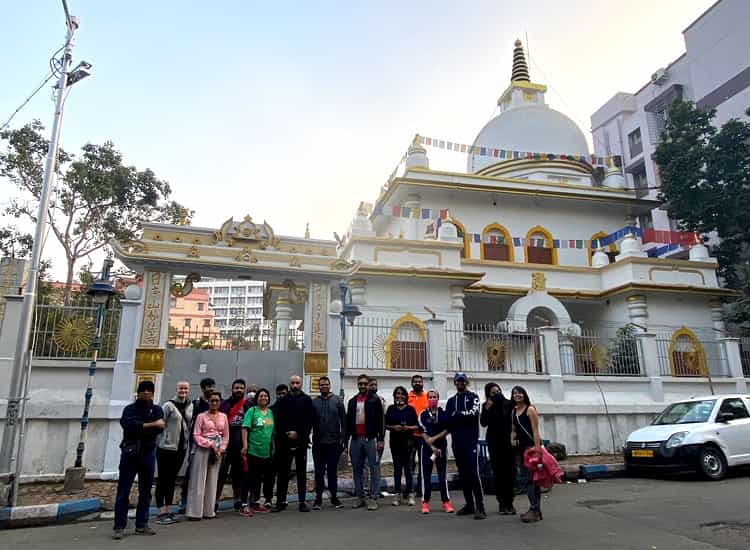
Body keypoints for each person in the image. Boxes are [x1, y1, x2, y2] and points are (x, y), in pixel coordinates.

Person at [112, 380, 165, 540]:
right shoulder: (129, 409)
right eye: (144, 391)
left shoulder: (156, 410)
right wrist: (150, 425)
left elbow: (160, 427)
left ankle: (142, 524)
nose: (147, 393)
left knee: (146, 491)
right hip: (130, 453)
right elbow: (129, 426)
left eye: (150, 391)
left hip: (148, 453)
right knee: (123, 491)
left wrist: (144, 426)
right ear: (139, 392)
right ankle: (119, 526)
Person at [446, 372, 485, 520]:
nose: (460, 383)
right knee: (463, 474)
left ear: (466, 382)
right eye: (458, 381)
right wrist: (458, 416)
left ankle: (480, 506)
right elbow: (449, 419)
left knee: (474, 473)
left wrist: (458, 415)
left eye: (462, 381)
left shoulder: (473, 397)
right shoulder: (451, 401)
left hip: (471, 442)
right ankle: (469, 505)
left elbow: (474, 414)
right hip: (457, 442)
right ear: (455, 383)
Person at [272, 375, 314, 512]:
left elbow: (309, 421)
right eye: (292, 383)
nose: (295, 385)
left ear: (301, 384)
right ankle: (280, 501)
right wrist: (286, 433)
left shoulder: (307, 400)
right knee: (283, 473)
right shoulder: (282, 401)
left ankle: (302, 501)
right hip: (284, 442)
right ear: (289, 384)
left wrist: (299, 434)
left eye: (297, 383)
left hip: (301, 442)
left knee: (301, 473)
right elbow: (277, 420)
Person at [155, 381, 193, 525]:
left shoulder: (190, 406)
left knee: (172, 479)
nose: (183, 391)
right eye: (181, 388)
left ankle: (168, 509)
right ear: (176, 389)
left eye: (186, 388)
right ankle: (160, 510)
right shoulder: (168, 406)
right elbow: (160, 424)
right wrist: (161, 442)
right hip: (166, 448)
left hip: (181, 448)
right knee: (163, 478)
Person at [186, 391, 228, 520]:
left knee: (212, 480)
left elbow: (226, 435)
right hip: (203, 449)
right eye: (212, 400)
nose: (214, 403)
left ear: (220, 402)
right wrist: (210, 444)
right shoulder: (201, 416)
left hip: (217, 451)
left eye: (217, 400)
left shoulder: (224, 416)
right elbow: (196, 434)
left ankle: (208, 511)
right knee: (198, 480)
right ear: (208, 402)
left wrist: (221, 449)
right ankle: (195, 512)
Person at [346, 374, 385, 511]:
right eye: (360, 383)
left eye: (365, 384)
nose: (362, 386)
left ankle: (373, 498)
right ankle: (360, 497)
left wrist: (381, 439)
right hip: (356, 439)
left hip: (371, 439)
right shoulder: (352, 401)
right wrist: (346, 442)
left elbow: (381, 421)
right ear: (357, 384)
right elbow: (347, 423)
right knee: (357, 469)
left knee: (373, 468)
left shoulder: (375, 400)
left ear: (368, 385)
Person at [179, 377, 215, 513]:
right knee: (192, 471)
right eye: (208, 386)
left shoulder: (216, 403)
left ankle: (204, 502)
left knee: (209, 471)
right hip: (197, 442)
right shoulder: (196, 404)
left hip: (212, 443)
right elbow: (190, 422)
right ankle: (184, 501)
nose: (210, 388)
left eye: (212, 386)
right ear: (202, 388)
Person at [480, 382, 516, 515]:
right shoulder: (486, 405)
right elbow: (483, 423)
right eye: (493, 393)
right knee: (498, 473)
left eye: (498, 391)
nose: (497, 395)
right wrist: (487, 409)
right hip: (494, 443)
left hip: (508, 442)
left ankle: (510, 502)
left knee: (511, 472)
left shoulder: (509, 404)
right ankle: (502, 503)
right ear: (488, 394)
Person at [311, 376, 346, 510]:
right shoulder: (314, 402)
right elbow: (310, 421)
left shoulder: (337, 401)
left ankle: (334, 498)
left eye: (326, 384)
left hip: (334, 443)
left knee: (332, 472)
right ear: (318, 387)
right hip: (318, 443)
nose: (324, 386)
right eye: (321, 385)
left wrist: (343, 438)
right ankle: (318, 498)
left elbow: (344, 421)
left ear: (330, 385)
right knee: (319, 472)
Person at [240, 388, 275, 517]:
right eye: (261, 396)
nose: (264, 398)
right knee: (248, 477)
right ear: (257, 398)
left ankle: (255, 502)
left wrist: (273, 448)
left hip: (265, 452)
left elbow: (271, 433)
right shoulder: (252, 411)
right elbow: (245, 428)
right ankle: (243, 504)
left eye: (266, 396)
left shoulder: (270, 412)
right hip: (253, 450)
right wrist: (245, 445)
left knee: (258, 479)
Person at [510, 385, 543, 523]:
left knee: (531, 481)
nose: (517, 395)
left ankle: (534, 509)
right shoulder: (514, 411)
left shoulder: (530, 410)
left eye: (520, 393)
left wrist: (538, 450)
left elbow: (535, 431)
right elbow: (513, 429)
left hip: (530, 448)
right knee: (529, 480)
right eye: (514, 393)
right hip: (520, 450)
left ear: (524, 394)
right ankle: (536, 510)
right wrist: (512, 438)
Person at [217, 378, 250, 511]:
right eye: (236, 388)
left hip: (240, 446)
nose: (239, 390)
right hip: (225, 446)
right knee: (221, 475)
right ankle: (214, 501)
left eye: (241, 388)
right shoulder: (224, 404)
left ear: (244, 390)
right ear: (232, 389)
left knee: (238, 475)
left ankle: (237, 500)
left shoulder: (248, 405)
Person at [419, 389, 454, 514]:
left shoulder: (443, 414)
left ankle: (446, 502)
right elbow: (421, 431)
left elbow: (447, 430)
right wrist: (431, 445)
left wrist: (435, 440)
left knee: (442, 476)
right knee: (426, 476)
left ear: (438, 399)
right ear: (427, 399)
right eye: (430, 397)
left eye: (434, 397)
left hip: (441, 448)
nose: (432, 399)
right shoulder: (423, 414)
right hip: (427, 449)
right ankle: (425, 502)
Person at [385, 386, 419, 506]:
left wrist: (408, 428)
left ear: (406, 396)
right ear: (394, 396)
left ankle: (410, 493)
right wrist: (394, 427)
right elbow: (386, 425)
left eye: (402, 394)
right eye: (397, 394)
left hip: (409, 444)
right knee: (397, 470)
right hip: (395, 443)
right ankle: (397, 494)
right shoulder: (391, 409)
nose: (399, 396)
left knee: (408, 470)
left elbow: (417, 426)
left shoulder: (410, 409)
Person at [363, 377, 386, 498]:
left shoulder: (378, 400)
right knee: (366, 465)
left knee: (375, 465)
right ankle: (367, 489)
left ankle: (375, 490)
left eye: (375, 384)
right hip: (366, 438)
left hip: (376, 439)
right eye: (371, 385)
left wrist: (381, 439)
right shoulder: (363, 400)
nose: (373, 387)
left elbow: (382, 421)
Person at [267, 383, 289, 510]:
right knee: (270, 474)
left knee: (284, 474)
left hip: (287, 447)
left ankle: (282, 500)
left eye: (283, 393)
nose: (281, 396)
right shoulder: (271, 410)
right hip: (274, 446)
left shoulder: (291, 409)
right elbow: (269, 426)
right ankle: (269, 499)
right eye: (279, 394)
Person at [408, 374, 429, 497]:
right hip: (410, 436)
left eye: (420, 382)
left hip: (423, 436)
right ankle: (409, 489)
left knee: (423, 463)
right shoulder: (407, 397)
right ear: (412, 383)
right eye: (415, 381)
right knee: (409, 464)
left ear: (423, 383)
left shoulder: (427, 397)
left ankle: (421, 490)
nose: (418, 383)